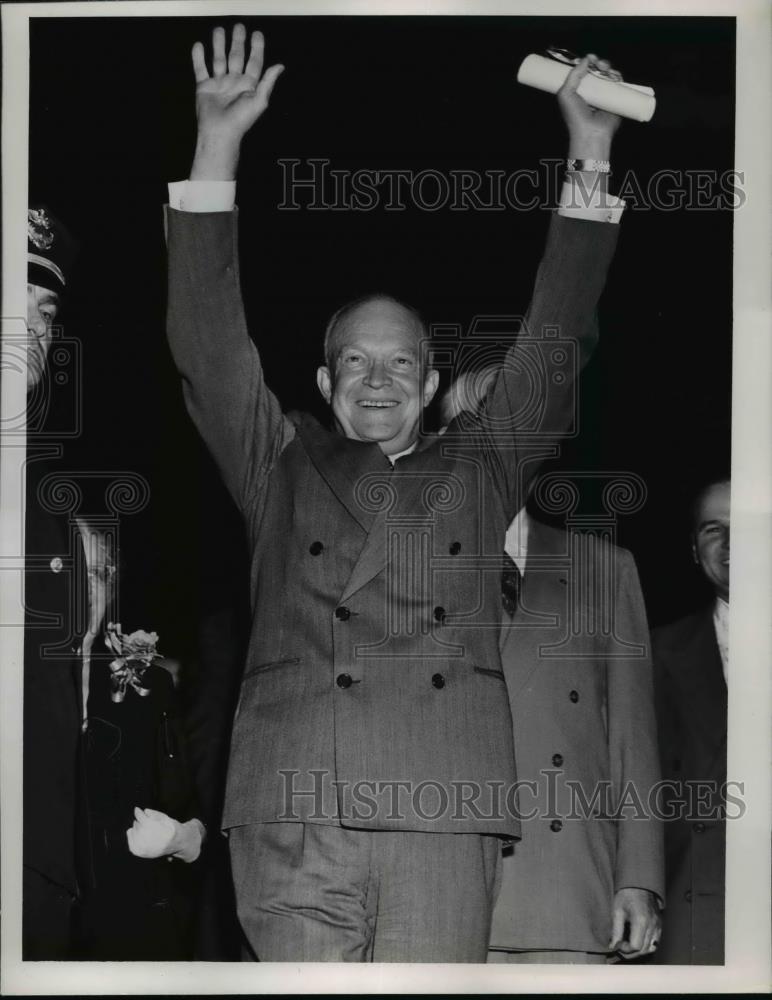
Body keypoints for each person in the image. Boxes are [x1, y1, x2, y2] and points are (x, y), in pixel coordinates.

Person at [166, 23, 627, 962]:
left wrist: (592, 145)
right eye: (354, 364)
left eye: (401, 364)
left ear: (428, 387)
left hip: (441, 808)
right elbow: (210, 347)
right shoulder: (278, 462)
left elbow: (556, 335)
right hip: (295, 811)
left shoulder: (483, 464)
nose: (377, 381)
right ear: (326, 387)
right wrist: (218, 146)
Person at [23, 205, 204, 959]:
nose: (30, 330)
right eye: (11, 305)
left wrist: (187, 834)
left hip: (45, 894)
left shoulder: (76, 538)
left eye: (44, 314)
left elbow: (93, 733)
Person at [440, 372, 664, 963]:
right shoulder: (403, 569)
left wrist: (638, 877)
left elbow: (632, 740)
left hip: (567, 889)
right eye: (475, 433)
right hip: (438, 887)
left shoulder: (604, 568)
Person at [652, 475, 730, 964]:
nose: (731, 545)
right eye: (712, 529)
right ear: (693, 549)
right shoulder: (653, 653)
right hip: (699, 917)